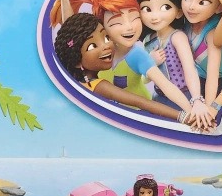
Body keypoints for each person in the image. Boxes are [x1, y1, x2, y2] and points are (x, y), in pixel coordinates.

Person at [48, 0, 209, 129]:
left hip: (141, 115)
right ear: (102, 25)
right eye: (116, 23)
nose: (129, 28)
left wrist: (192, 113)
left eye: (135, 18)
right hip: (116, 119)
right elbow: (72, 33)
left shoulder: (137, 54)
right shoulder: (101, 52)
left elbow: (165, 87)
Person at [52, 13, 196, 126]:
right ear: (77, 61)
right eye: (92, 46)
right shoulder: (97, 85)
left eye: (106, 38)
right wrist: (182, 116)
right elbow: (141, 102)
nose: (106, 46)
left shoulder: (79, 83)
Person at [133, 0, 212, 129]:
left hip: (184, 97)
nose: (154, 16)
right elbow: (145, 79)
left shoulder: (177, 37)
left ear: (179, 12)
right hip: (159, 98)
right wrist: (151, 63)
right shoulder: (148, 41)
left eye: (165, 7)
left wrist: (197, 100)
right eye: (147, 8)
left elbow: (189, 69)